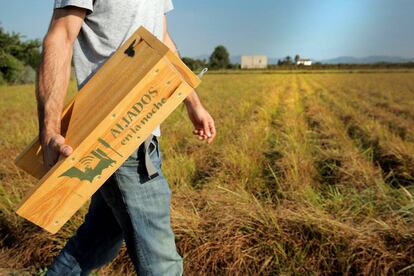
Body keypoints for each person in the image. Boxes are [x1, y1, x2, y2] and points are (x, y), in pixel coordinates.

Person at [37, 0, 216, 275]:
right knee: (162, 263)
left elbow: (162, 40)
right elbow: (61, 36)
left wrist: (192, 101)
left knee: (97, 240)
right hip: (114, 138)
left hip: (145, 132)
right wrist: (50, 131)